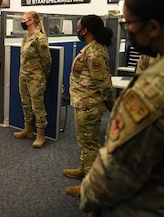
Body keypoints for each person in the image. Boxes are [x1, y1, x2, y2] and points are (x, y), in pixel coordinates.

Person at [80, 0, 164, 216]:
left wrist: (89, 200)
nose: (128, 31)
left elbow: (116, 172)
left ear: (154, 27)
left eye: (130, 24)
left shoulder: (158, 87)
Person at [64, 14, 114, 197]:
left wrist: (112, 107)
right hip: (84, 103)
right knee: (85, 142)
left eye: (79, 27)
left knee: (90, 145)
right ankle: (83, 169)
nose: (78, 30)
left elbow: (104, 84)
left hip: (90, 106)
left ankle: (90, 186)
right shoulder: (90, 48)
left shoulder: (94, 52)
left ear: (86, 30)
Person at [13, 11, 52, 148]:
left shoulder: (39, 38)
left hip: (36, 78)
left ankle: (41, 134)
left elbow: (47, 60)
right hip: (24, 75)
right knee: (26, 104)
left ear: (31, 21)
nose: (22, 22)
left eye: (24, 19)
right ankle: (28, 130)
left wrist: (43, 75)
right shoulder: (26, 36)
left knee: (37, 106)